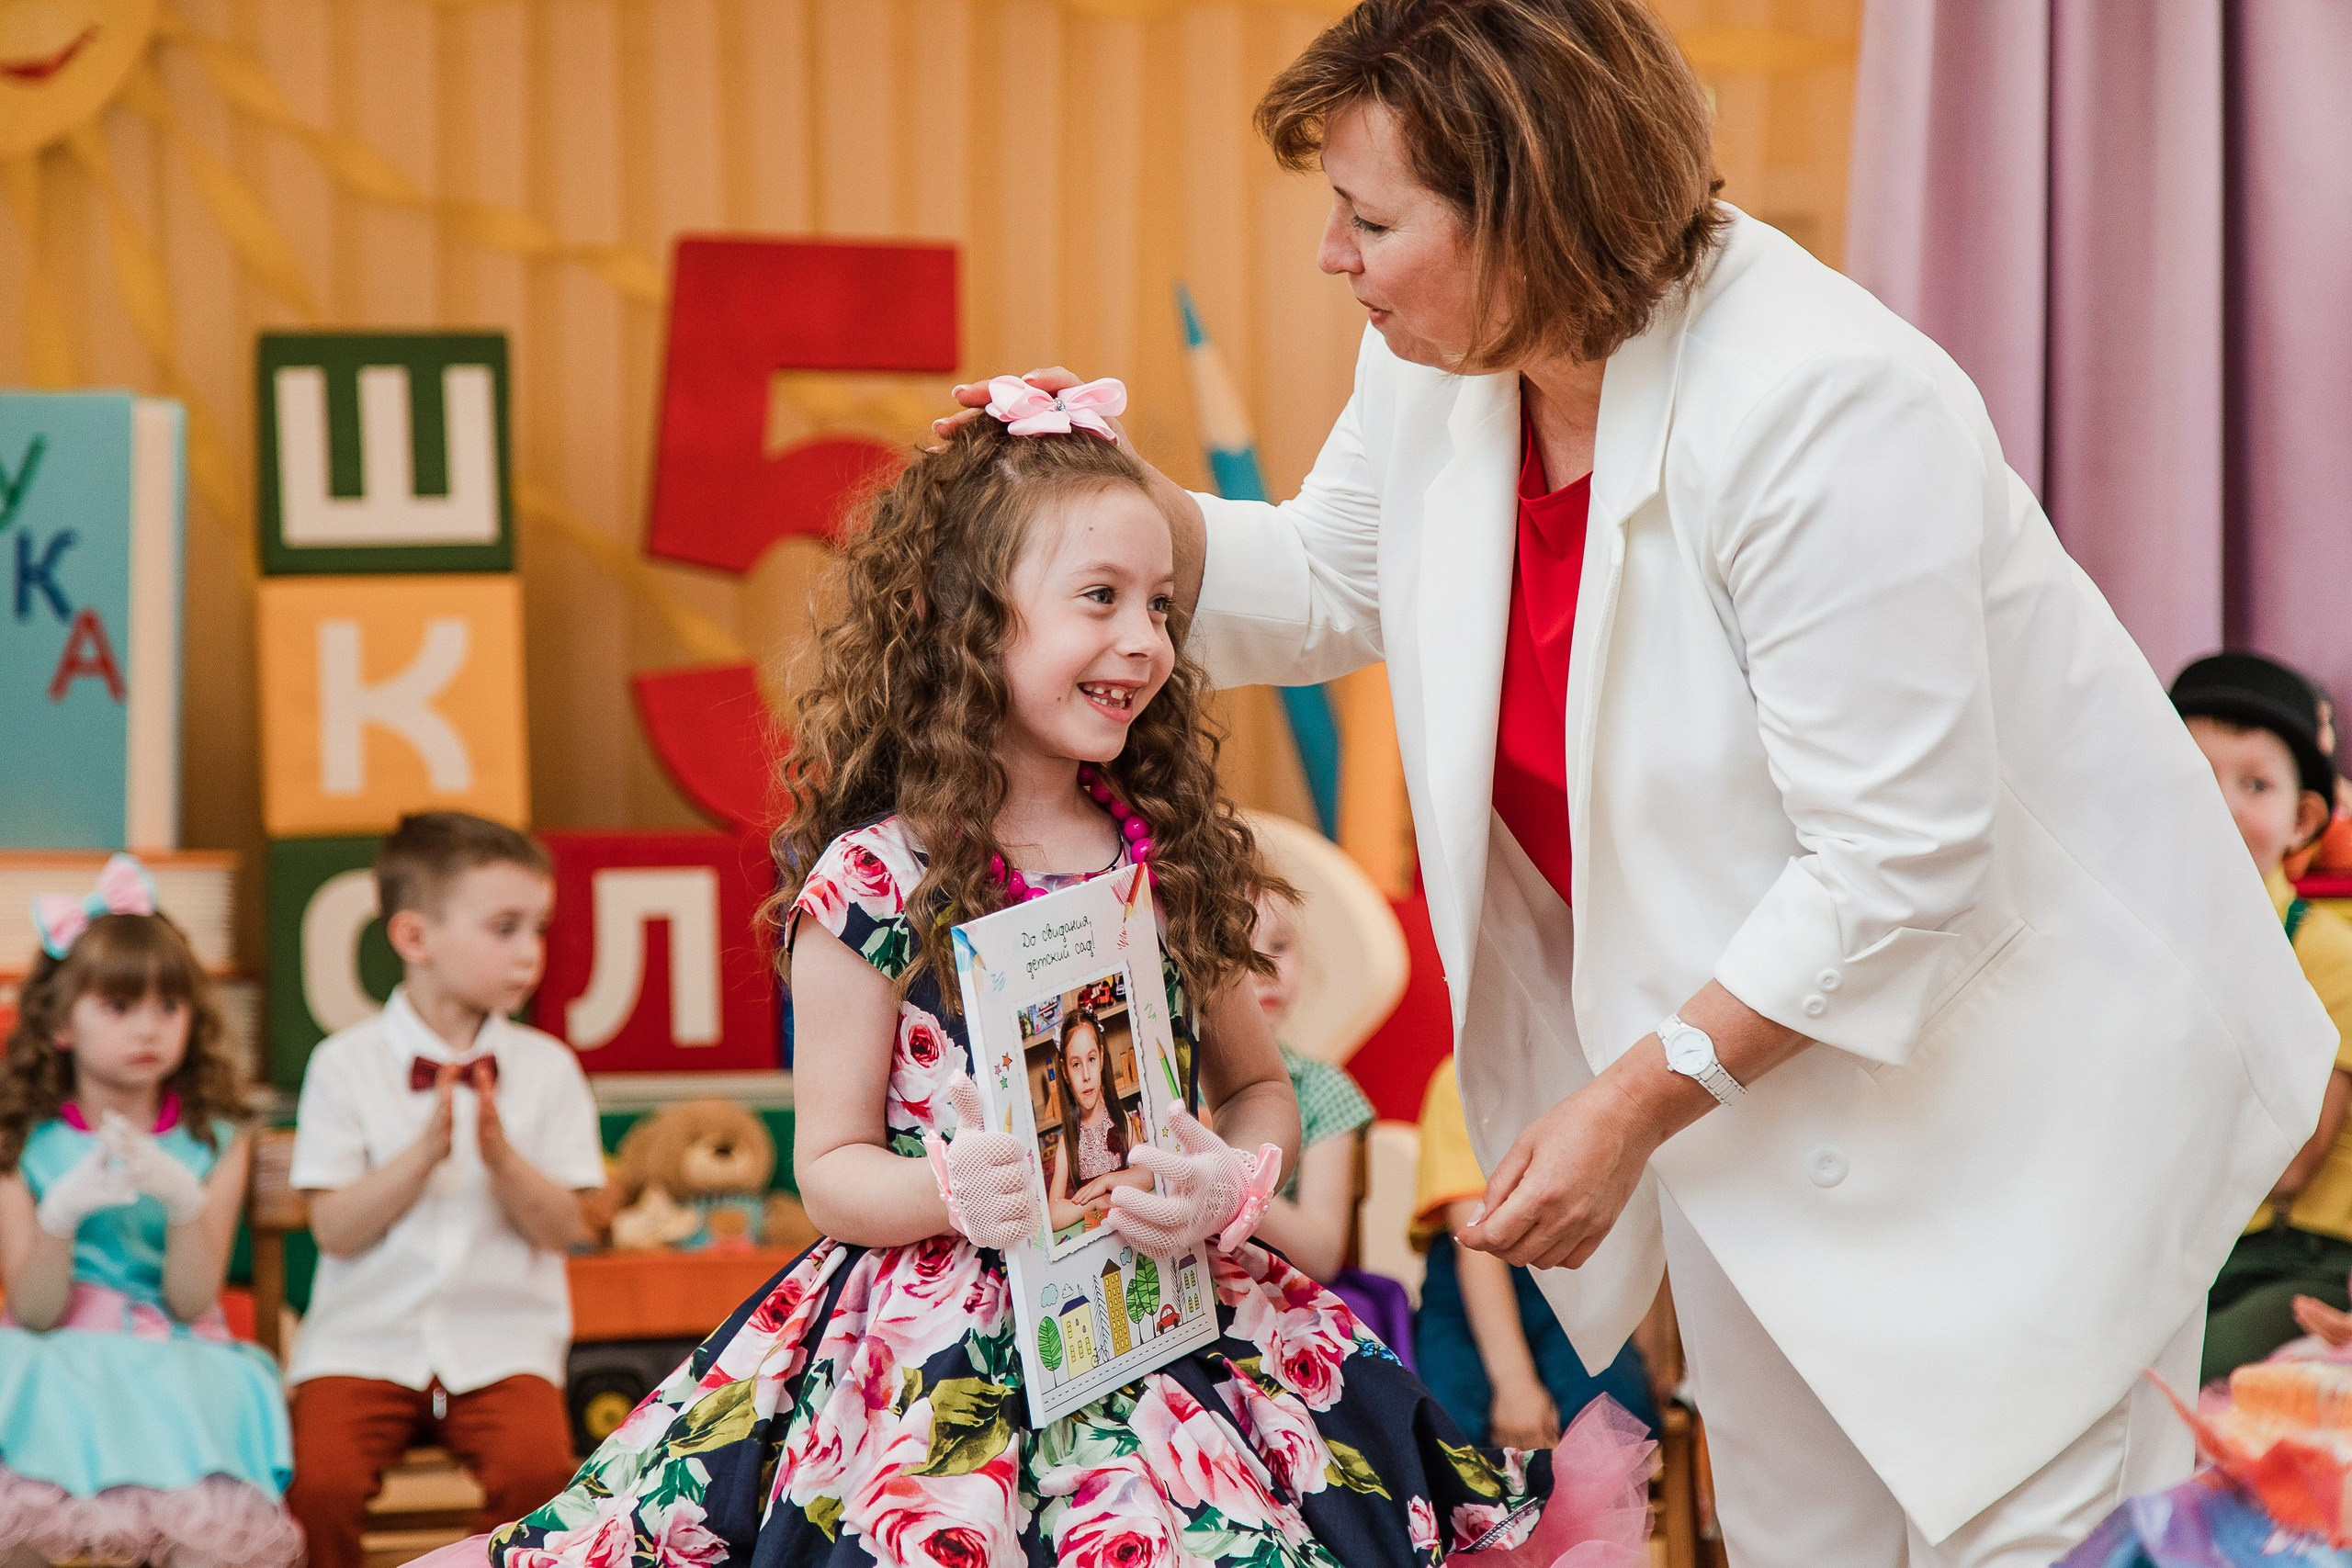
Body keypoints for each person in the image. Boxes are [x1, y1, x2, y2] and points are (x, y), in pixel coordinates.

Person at [940, 3, 2335, 1562]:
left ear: (1530, 214)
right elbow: (1338, 573)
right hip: (1764, 1117)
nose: (1335, 256)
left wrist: (1629, 1103)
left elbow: (1897, 862)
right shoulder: (1449, 363)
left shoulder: (1822, 402)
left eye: (1372, 217)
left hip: (2020, 1114)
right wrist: (1095, 505)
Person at [456, 389, 1651, 1568]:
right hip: (936, 1352)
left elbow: (1263, 1089)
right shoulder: (871, 881)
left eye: (1162, 605)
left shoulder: (1171, 854)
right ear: (960, 617)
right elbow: (829, 1170)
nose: (1144, 640)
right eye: (1100, 597)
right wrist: (945, 1189)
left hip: (1168, 1315)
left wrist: (1231, 1176)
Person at [284, 812, 606, 1568]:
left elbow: (569, 1227)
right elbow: (333, 1229)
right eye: (504, 927)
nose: (530, 951)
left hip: (503, 1345)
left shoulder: (549, 1066)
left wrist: (501, 1158)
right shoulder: (344, 1063)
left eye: (538, 928)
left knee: (539, 1479)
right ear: (414, 938)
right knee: (317, 1487)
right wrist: (421, 1154)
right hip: (361, 1342)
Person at [0, 855, 300, 1568]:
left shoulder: (215, 1140)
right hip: (55, 1355)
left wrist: (184, 1201)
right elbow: (36, 1311)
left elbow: (192, 1297)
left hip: (177, 1351)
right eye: (119, 1005)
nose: (149, 1029)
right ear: (59, 1024)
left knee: (214, 1538)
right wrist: (59, 1216)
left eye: (170, 1007)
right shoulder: (20, 1140)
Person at [2173, 654, 2352, 1382]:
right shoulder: (2136, 941)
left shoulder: (2326, 950)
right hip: (2180, 1249)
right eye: (2191, 776)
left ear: (2302, 817)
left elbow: (2292, 1160)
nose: (2219, 804)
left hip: (2295, 1255)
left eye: (2254, 784)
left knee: (2175, 1382)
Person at [1411, 1055, 1657, 1450]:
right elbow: (1478, 1246)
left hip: (1577, 1278)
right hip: (1473, 1290)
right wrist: (1514, 1385)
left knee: (1614, 1410)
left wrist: (1650, 1352)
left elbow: (1642, 1227)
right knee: (1450, 1419)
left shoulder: (1608, 1070)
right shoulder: (1461, 1076)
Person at [1247, 891, 1378, 1286]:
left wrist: (1232, 1180)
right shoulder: (1168, 1084)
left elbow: (1323, 1256)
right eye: (1235, 948)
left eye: (1279, 946)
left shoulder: (1322, 1090)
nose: (1265, 968)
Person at [1044, 1007, 1149, 1238]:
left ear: (1101, 1058)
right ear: (1064, 1071)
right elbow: (1053, 1214)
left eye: (1091, 1059)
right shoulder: (1069, 1140)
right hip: (1100, 1238)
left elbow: (1147, 1175)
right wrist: (1093, 1202)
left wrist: (1106, 1182)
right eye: (1076, 1064)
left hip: (1133, 1229)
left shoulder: (1120, 1118)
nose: (1086, 1076)